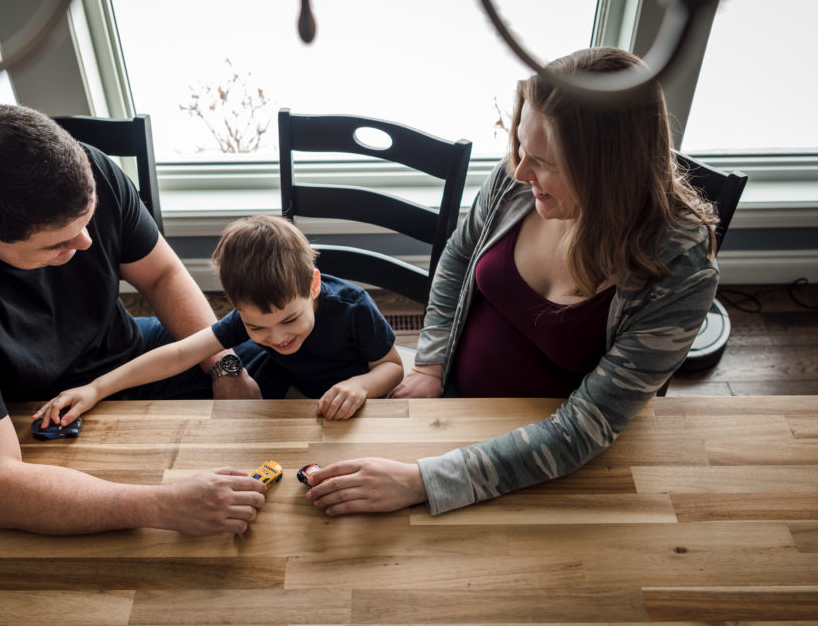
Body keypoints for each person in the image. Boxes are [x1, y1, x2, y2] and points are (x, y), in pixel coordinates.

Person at [304, 47, 720, 517]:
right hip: (449, 405)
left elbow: (586, 427)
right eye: (521, 147)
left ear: (609, 172)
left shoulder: (679, 275)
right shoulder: (516, 180)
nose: (520, 172)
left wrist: (422, 481)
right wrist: (431, 364)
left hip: (542, 458)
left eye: (545, 162)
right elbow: (459, 255)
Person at [0, 104, 267, 536]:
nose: (87, 242)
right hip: (23, 416)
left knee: (282, 360)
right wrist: (161, 506)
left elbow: (163, 276)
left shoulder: (90, 170)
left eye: (88, 221)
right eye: (59, 243)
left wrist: (224, 365)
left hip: (126, 353)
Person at [34, 215, 404, 424]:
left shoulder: (353, 306)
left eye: (290, 320)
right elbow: (180, 354)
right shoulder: (251, 320)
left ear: (313, 284)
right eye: (257, 327)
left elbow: (392, 366)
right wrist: (96, 388)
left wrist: (362, 385)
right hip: (304, 399)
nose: (277, 338)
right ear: (236, 305)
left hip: (369, 405)